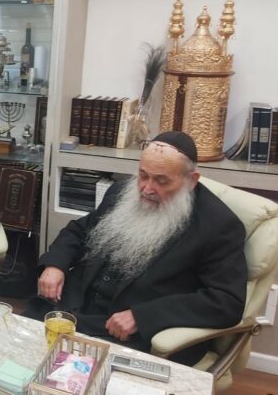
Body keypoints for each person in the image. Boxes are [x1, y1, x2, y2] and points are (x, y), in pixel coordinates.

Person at [26, 131, 247, 365]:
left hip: (130, 334)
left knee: (70, 376)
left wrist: (142, 317)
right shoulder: (121, 192)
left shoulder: (219, 225)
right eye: (143, 175)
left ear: (191, 181)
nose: (146, 189)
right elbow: (79, 230)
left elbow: (227, 302)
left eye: (161, 181)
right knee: (16, 351)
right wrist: (55, 265)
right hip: (73, 306)